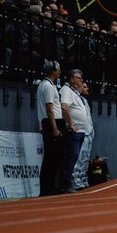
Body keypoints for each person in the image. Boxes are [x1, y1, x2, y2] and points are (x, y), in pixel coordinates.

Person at [37, 60, 65, 196]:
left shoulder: (48, 85)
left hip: (52, 122)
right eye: (58, 69)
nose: (60, 71)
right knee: (51, 158)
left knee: (54, 157)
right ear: (53, 70)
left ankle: (50, 187)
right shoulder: (47, 86)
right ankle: (47, 188)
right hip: (51, 123)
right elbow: (50, 109)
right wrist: (54, 128)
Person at [59, 69, 88, 193]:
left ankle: (68, 182)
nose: (81, 80)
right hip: (74, 131)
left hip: (80, 131)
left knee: (74, 157)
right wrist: (71, 124)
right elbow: (64, 107)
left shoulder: (75, 93)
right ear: (71, 79)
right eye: (79, 78)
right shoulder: (67, 90)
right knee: (72, 156)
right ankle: (66, 184)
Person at [72, 81, 94, 191]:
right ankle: (76, 182)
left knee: (85, 159)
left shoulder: (85, 101)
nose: (87, 89)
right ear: (79, 87)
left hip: (89, 133)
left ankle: (83, 180)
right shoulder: (76, 99)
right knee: (79, 159)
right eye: (84, 87)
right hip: (82, 133)